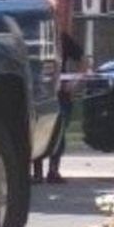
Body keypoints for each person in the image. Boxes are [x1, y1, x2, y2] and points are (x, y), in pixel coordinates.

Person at [33, 31, 86, 184]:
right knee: (39, 129)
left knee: (59, 132)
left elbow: (84, 62)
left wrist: (74, 82)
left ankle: (53, 170)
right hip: (39, 93)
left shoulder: (62, 38)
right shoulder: (32, 35)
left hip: (61, 94)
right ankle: (37, 172)